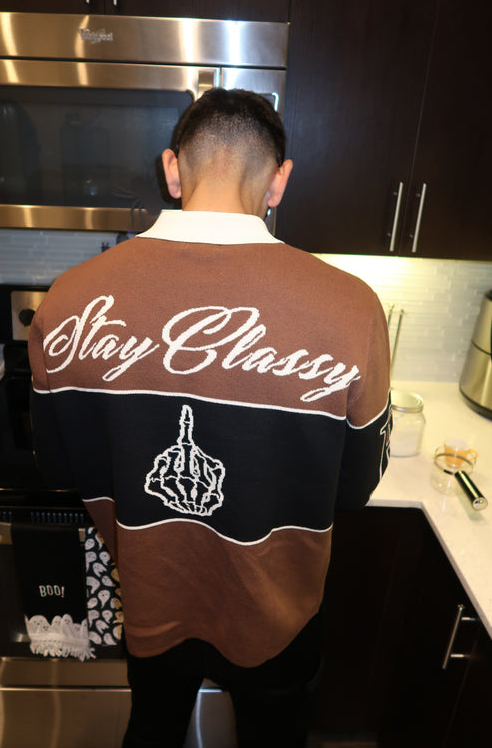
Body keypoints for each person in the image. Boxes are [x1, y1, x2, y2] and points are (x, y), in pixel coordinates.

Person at [28, 88, 391, 747]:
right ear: (278, 181)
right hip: (277, 611)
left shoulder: (68, 300)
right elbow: (354, 487)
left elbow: (58, 467)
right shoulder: (351, 308)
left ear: (173, 170)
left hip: (150, 592)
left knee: (154, 730)